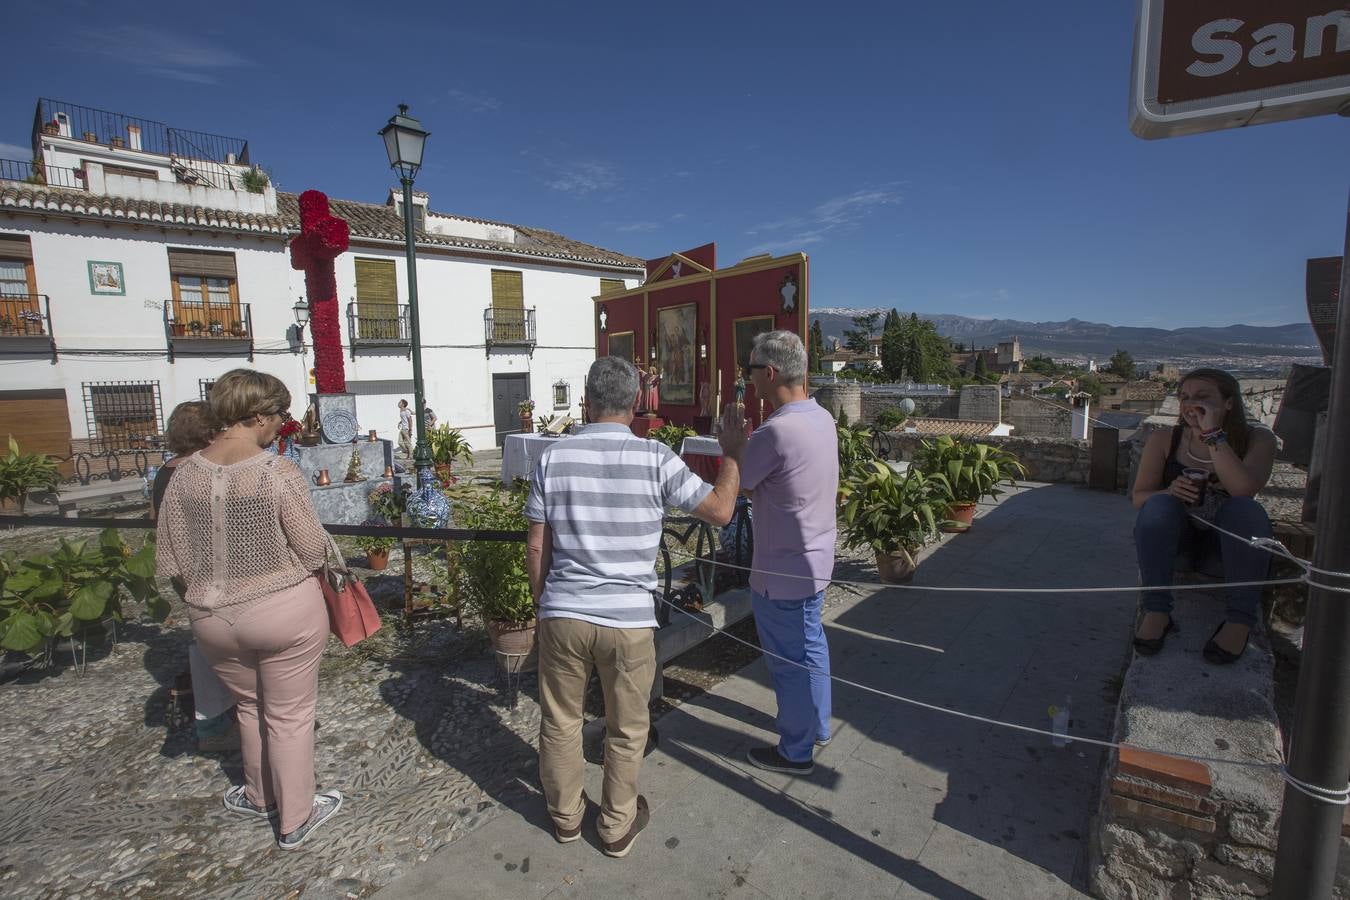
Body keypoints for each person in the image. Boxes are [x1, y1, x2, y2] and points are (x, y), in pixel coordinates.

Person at [525, 356, 745, 857]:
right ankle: (615, 827)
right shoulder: (656, 458)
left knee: (560, 720)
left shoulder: (552, 459)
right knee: (627, 727)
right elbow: (721, 511)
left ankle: (564, 818)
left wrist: (545, 606)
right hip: (628, 620)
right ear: (635, 405)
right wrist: (732, 454)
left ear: (588, 401)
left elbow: (537, 546)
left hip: (564, 611)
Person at [155, 369, 342, 850]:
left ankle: (259, 796)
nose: (282, 424)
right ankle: (296, 817)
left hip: (212, 616)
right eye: (279, 416)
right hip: (284, 610)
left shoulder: (184, 474)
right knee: (291, 716)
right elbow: (312, 548)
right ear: (258, 415)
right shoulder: (275, 471)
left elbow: (171, 559)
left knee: (249, 707)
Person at [731, 330, 839, 775]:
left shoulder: (775, 432)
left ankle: (795, 752)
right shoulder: (822, 418)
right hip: (814, 561)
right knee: (811, 644)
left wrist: (732, 445)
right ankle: (817, 725)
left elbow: (737, 484)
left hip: (781, 572)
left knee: (788, 664)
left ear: (770, 372)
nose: (748, 379)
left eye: (751, 370)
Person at [1131, 368, 1277, 664]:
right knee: (1158, 506)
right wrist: (1170, 492)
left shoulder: (1258, 440)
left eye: (1202, 396)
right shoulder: (1164, 439)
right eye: (1184, 396)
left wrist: (1212, 435)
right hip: (1178, 548)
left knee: (1246, 510)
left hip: (1224, 553)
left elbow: (1243, 490)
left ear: (1229, 403)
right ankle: (1157, 610)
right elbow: (1139, 499)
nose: (1189, 403)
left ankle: (1239, 621)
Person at [151, 401, 237, 752]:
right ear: (210, 433)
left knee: (206, 642)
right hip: (214, 571)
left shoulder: (165, 473)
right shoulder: (203, 472)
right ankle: (218, 726)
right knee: (220, 648)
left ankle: (216, 722)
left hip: (186, 572)